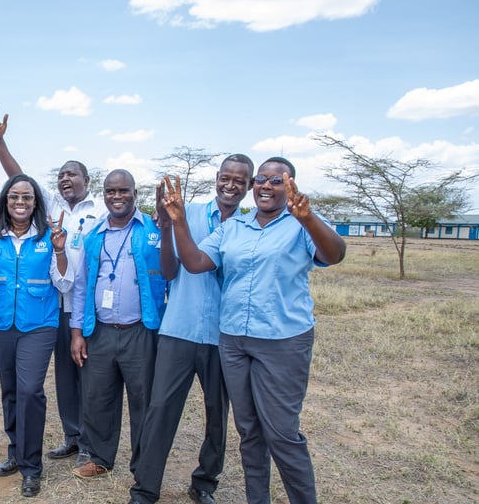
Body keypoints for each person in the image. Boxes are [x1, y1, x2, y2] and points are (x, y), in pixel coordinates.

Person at [162, 157, 346, 504]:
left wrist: (307, 217)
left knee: (281, 433)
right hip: (234, 341)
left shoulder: (299, 224)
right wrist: (180, 223)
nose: (266, 185)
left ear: (290, 186)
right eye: (261, 179)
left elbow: (335, 254)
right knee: (249, 432)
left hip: (282, 341)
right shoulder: (235, 228)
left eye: (276, 181)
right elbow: (195, 263)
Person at [129, 154, 255, 504]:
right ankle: (145, 487)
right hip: (179, 329)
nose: (230, 185)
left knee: (218, 414)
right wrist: (169, 226)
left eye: (239, 180)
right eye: (225, 177)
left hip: (224, 335)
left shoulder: (248, 228)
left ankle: (204, 483)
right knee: (161, 409)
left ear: (249, 185)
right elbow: (169, 272)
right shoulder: (188, 213)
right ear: (216, 178)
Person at [0, 109, 105, 466]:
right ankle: (71, 436)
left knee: (87, 374)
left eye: (73, 174)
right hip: (51, 303)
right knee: (63, 377)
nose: (66, 179)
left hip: (84, 304)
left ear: (87, 179)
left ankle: (89, 442)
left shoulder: (99, 210)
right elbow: (16, 177)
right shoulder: (48, 205)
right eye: (61, 175)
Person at [0, 173, 71, 498]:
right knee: (10, 389)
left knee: (30, 390)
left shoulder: (48, 237)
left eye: (26, 197)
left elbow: (64, 284)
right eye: (14, 197)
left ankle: (31, 466)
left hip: (39, 325)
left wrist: (61, 250)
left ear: (35, 202)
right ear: (5, 202)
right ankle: (15, 450)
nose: (20, 202)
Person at [69, 169, 167, 480]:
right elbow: (82, 286)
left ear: (134, 194)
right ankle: (99, 458)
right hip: (99, 331)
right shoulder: (94, 235)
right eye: (110, 191)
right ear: (104, 194)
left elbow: (170, 274)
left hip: (140, 330)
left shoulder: (154, 228)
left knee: (143, 400)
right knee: (98, 398)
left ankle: (143, 467)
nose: (116, 196)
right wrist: (77, 333)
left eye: (123, 190)